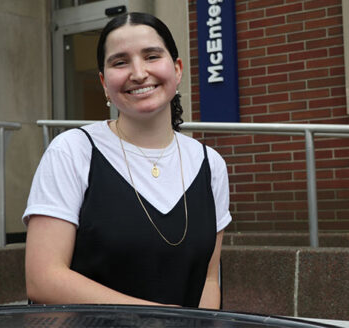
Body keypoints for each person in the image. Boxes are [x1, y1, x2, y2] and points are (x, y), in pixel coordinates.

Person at [23, 12, 231, 309]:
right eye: (120, 62)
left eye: (151, 56)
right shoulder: (73, 151)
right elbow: (43, 278)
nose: (138, 72)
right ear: (104, 83)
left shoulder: (210, 165)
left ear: (177, 68)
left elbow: (209, 280)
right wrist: (159, 319)